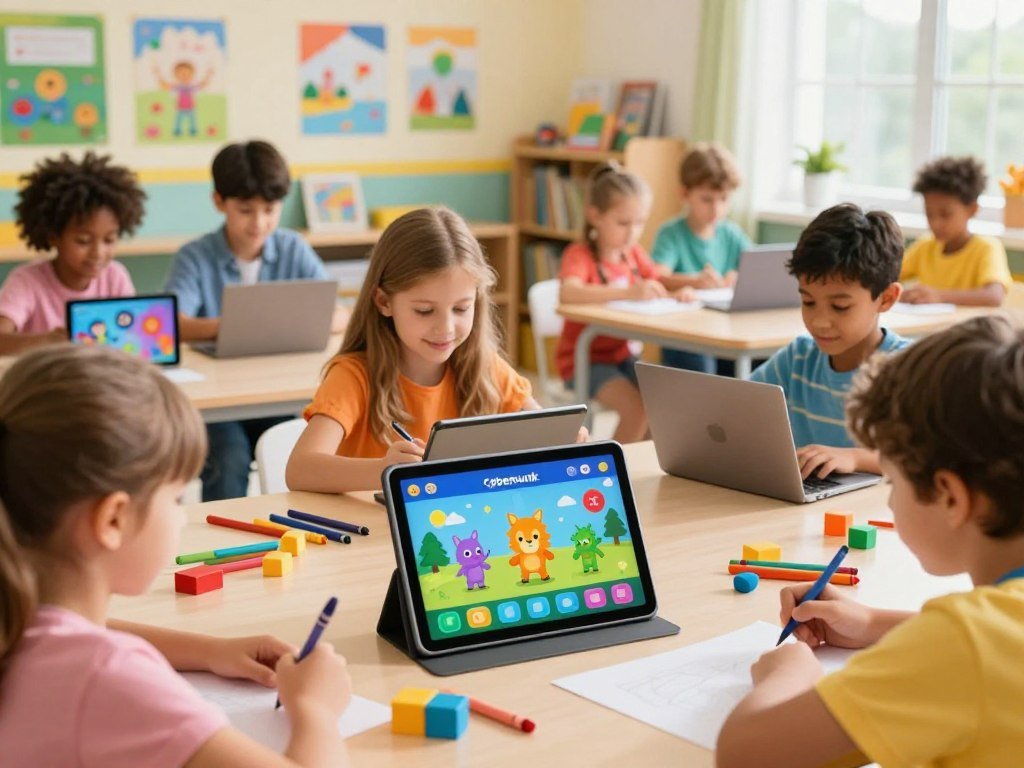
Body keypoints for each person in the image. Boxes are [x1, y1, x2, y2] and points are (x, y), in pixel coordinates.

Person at [0, 345, 351, 767]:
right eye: (175, 497)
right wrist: (316, 711)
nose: (183, 518)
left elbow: (64, 631)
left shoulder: (16, 613)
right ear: (112, 519)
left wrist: (208, 651)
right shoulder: (107, 679)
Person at [717, 315, 1024, 768]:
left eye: (893, 484)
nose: (892, 503)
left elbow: (745, 754)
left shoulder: (964, 644)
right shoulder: (990, 633)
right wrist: (874, 622)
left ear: (951, 498)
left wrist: (788, 676)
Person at [286, 206, 542, 494]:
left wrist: (568, 442)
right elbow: (300, 469)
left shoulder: (486, 368)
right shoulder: (354, 376)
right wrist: (385, 471)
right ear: (384, 302)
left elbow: (547, 431)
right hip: (371, 534)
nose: (445, 327)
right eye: (424, 311)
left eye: (460, 308)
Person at [164, 139, 346, 501]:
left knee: (295, 451)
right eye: (246, 210)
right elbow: (171, 322)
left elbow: (338, 314)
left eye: (270, 209)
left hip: (276, 394)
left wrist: (281, 325)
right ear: (220, 202)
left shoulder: (293, 248)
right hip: (217, 405)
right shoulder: (195, 256)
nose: (259, 222)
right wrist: (230, 327)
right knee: (229, 458)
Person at [749, 203, 908, 479]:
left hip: (870, 514)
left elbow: (929, 460)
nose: (819, 321)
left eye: (840, 306)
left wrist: (855, 457)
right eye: (808, 301)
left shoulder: (908, 370)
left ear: (886, 298)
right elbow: (738, 408)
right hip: (803, 509)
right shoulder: (797, 359)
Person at [556, 161, 694, 443]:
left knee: (665, 406)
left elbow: (656, 283)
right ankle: (615, 471)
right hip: (585, 361)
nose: (632, 233)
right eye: (623, 223)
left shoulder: (632, 254)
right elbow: (568, 293)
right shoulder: (580, 255)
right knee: (638, 409)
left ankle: (643, 469)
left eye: (640, 222)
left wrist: (680, 292)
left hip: (623, 357)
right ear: (595, 215)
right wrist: (626, 292)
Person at [0, 152, 144, 355]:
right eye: (83, 241)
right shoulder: (27, 281)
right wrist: (47, 341)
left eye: (109, 240)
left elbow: (130, 335)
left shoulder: (115, 276)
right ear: (53, 236)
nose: (98, 253)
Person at [651, 142, 752, 373]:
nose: (716, 209)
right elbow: (657, 275)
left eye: (724, 199)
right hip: (684, 335)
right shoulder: (672, 233)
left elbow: (758, 267)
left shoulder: (731, 233)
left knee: (757, 364)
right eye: (707, 199)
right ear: (684, 194)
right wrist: (695, 281)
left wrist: (737, 275)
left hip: (724, 331)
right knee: (703, 370)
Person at [901, 155, 1012, 307]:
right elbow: (888, 275)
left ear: (972, 209)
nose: (935, 224)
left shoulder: (986, 248)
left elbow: (994, 297)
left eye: (945, 214)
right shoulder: (925, 246)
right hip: (932, 329)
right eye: (929, 214)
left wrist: (938, 296)